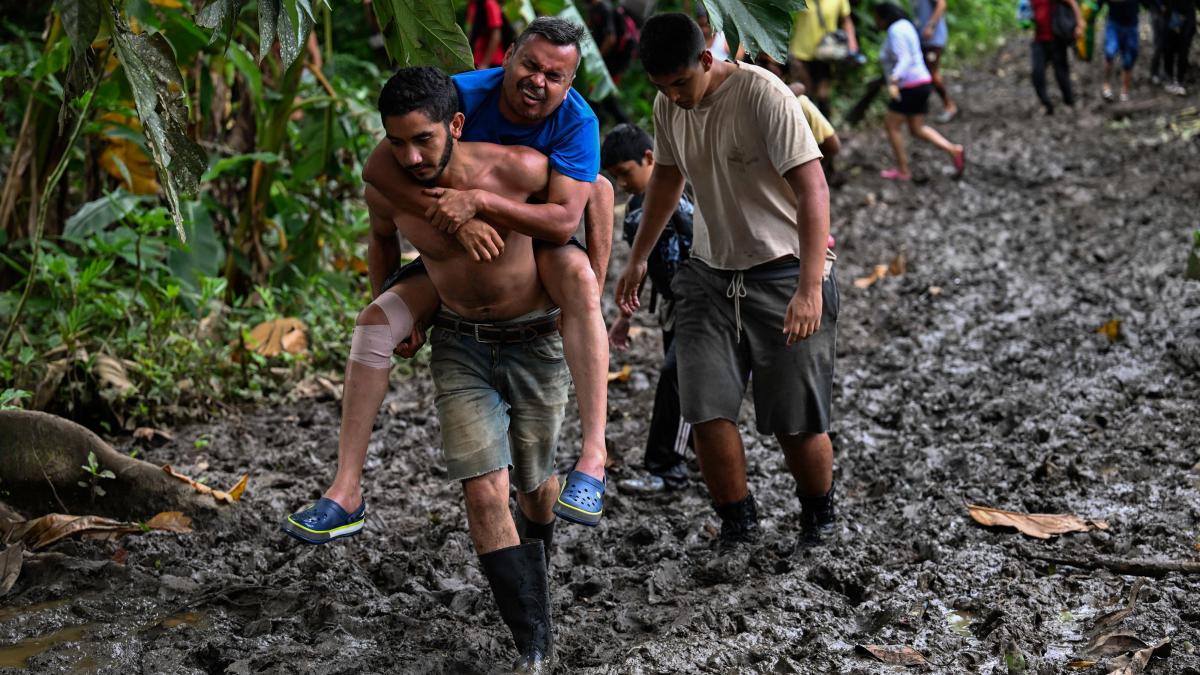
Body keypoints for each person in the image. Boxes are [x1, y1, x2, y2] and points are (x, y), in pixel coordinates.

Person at [284, 18, 614, 546]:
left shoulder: (568, 131)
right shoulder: (455, 97)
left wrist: (479, 203)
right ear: (508, 56)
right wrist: (455, 220)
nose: (538, 81)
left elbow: (572, 212)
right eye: (530, 65)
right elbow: (380, 174)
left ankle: (594, 456)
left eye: (556, 76)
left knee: (578, 277)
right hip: (451, 269)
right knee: (374, 322)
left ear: (570, 83)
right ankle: (346, 489)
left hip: (533, 248)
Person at [344, 66, 564, 671]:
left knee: (535, 488)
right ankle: (532, 646)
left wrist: (587, 297)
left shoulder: (518, 168)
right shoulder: (387, 184)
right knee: (482, 488)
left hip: (536, 340)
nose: (411, 157)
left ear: (456, 126)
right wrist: (399, 301)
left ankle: (538, 547)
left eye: (424, 140)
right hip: (460, 343)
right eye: (397, 143)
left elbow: (587, 198)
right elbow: (382, 238)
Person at [615, 14, 839, 551]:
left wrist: (808, 288)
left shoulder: (763, 95)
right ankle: (737, 520)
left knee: (796, 421)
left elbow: (814, 191)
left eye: (681, 83)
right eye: (662, 88)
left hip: (784, 269)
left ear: (707, 61)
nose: (673, 96)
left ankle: (818, 516)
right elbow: (666, 178)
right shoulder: (669, 103)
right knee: (704, 405)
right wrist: (639, 257)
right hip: (709, 275)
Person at [601, 123, 695, 493]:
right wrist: (625, 317)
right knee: (684, 380)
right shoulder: (635, 211)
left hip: (703, 301)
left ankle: (667, 465)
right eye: (615, 178)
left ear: (650, 158)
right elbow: (638, 269)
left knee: (680, 379)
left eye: (625, 173)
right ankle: (687, 456)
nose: (622, 184)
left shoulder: (690, 188)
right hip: (673, 304)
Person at [875, 2, 965, 181]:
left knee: (892, 126)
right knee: (917, 128)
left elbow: (905, 58)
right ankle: (954, 150)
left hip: (910, 85)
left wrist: (894, 79)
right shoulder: (906, 25)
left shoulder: (896, 31)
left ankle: (903, 170)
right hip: (922, 81)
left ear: (884, 17)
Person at [788, 0, 861, 115]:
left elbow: (846, 20)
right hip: (800, 52)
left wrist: (852, 44)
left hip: (826, 53)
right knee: (805, 91)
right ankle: (806, 128)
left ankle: (825, 127)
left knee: (823, 94)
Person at [1029, 0, 1085, 114]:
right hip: (1039, 41)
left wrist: (1079, 22)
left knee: (1061, 73)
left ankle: (1069, 101)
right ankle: (1046, 104)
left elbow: (1072, 2)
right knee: (1037, 73)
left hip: (1056, 39)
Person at [912, 0, 959, 122]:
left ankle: (949, 106)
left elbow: (941, 4)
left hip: (933, 39)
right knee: (926, 72)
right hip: (922, 39)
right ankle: (921, 109)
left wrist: (931, 26)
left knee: (932, 72)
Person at [1098, 0, 1146, 101]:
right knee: (1110, 52)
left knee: (1129, 59)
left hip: (1131, 24)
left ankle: (1124, 91)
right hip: (1114, 22)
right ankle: (1106, 85)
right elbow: (1098, 4)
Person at [1160, 0, 1198, 95]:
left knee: (1183, 49)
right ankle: (1169, 79)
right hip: (1170, 13)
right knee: (1169, 49)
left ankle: (1180, 81)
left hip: (1187, 14)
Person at [466, 0, 515, 69]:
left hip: (492, 63)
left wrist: (485, 63)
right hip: (476, 61)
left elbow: (496, 35)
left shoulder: (489, 3)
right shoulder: (472, 4)